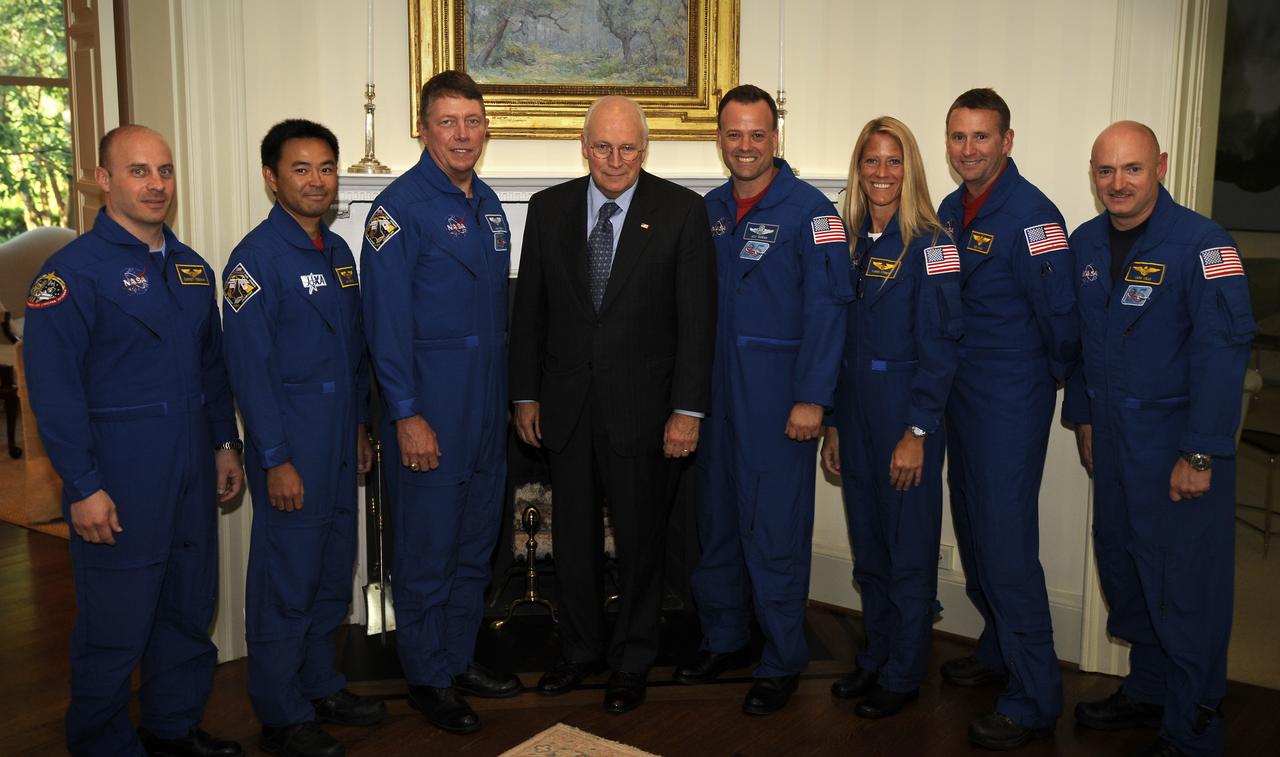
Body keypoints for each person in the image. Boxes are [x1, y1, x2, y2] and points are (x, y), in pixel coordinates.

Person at [23, 125, 244, 757]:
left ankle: (172, 728)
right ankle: (101, 744)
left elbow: (212, 370)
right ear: (104, 180)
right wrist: (82, 486)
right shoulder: (70, 274)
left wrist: (224, 444)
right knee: (115, 623)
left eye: (164, 171)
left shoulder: (193, 269)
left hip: (192, 466)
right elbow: (55, 393)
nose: (156, 185)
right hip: (120, 473)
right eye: (138, 170)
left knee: (188, 606)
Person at [509, 95, 716, 714]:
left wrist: (687, 410)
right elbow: (530, 315)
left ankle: (631, 660)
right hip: (566, 410)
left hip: (645, 416)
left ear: (644, 150)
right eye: (603, 146)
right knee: (572, 541)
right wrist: (526, 394)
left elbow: (697, 323)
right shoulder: (547, 209)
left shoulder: (681, 212)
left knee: (641, 544)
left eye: (628, 147)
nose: (616, 159)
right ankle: (580, 651)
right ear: (584, 147)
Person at [1063, 121, 1253, 757]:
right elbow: (1084, 344)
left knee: (1184, 589)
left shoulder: (1204, 245)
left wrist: (1200, 452)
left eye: (1132, 169)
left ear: (1161, 167)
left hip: (1176, 447)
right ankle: (1147, 690)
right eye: (1106, 170)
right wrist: (1085, 418)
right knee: (1126, 569)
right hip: (1114, 441)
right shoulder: (1086, 244)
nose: (1117, 183)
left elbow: (1224, 353)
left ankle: (1194, 727)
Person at [674, 85, 851, 715]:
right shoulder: (710, 210)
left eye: (757, 134)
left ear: (775, 138)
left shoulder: (813, 212)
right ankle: (725, 638)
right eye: (734, 134)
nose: (745, 146)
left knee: (774, 530)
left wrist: (813, 400)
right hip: (716, 398)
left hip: (779, 402)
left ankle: (781, 657)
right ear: (719, 140)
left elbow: (830, 310)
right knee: (718, 523)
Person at [359, 71, 518, 735]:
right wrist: (406, 413)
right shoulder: (396, 211)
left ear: (486, 129)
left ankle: (456, 659)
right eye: (448, 121)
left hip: (486, 412)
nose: (462, 134)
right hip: (430, 412)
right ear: (423, 129)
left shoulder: (490, 206)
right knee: (426, 551)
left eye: (473, 121)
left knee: (474, 546)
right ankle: (427, 677)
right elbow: (384, 324)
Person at [221, 119, 385, 757]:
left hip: (340, 443)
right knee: (286, 583)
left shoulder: (338, 251)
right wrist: (275, 460)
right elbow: (250, 373)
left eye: (326, 167)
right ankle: (281, 714)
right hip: (292, 446)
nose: (317, 180)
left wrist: (361, 426)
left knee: (331, 572)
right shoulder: (254, 262)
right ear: (272, 179)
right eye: (300, 168)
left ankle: (320, 686)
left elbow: (353, 352)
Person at [934, 88, 1079, 750]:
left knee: (1006, 544)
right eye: (958, 136)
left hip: (1008, 397)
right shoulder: (949, 209)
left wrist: (1044, 380)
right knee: (973, 528)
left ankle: (1034, 696)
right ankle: (997, 649)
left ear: (1007, 141)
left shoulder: (1033, 216)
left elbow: (1062, 320)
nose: (968, 149)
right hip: (959, 394)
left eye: (981, 136)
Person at [820, 116, 961, 719]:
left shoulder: (934, 245)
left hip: (905, 418)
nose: (882, 172)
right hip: (854, 417)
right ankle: (876, 655)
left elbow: (943, 347)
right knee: (870, 549)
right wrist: (832, 422)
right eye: (872, 160)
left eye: (894, 161)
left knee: (908, 551)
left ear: (911, 170)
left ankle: (905, 671)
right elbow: (835, 340)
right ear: (858, 169)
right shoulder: (847, 241)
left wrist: (918, 431)